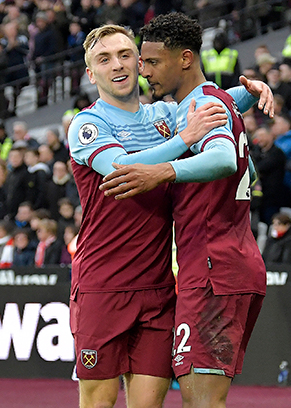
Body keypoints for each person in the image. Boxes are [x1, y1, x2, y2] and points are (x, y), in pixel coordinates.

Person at [67, 24, 272, 408]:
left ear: (139, 61)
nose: (118, 65)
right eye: (104, 59)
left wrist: (249, 92)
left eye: (126, 55)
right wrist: (183, 141)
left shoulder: (164, 114)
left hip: (159, 289)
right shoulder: (88, 124)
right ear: (91, 73)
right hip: (102, 284)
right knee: (99, 402)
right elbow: (121, 169)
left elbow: (207, 103)